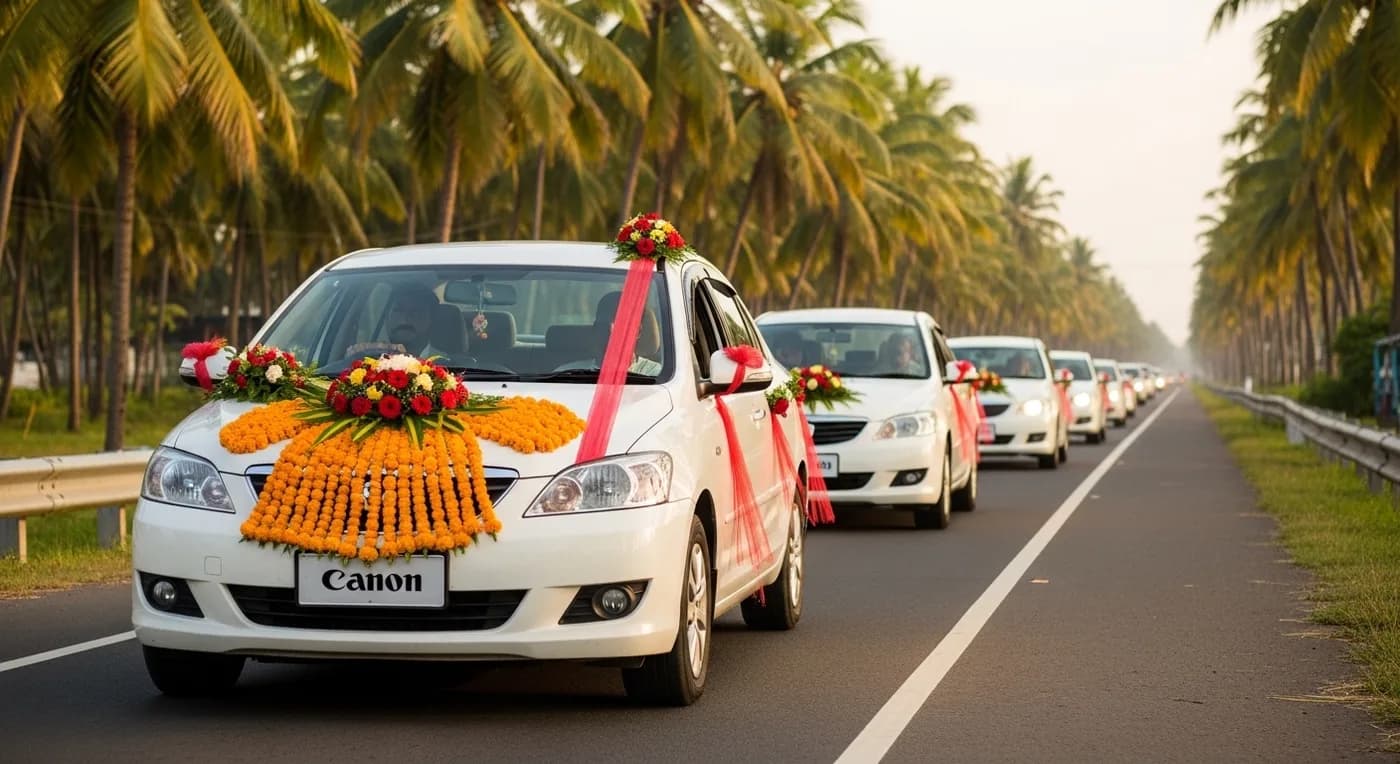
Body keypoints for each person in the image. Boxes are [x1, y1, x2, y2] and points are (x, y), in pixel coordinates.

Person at [554, 291, 663, 375]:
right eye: (603, 325)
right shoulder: (565, 375)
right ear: (595, 330)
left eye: (620, 324)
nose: (610, 331)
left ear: (637, 332)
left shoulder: (657, 377)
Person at [346, 284, 453, 359]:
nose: (404, 319)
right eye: (397, 311)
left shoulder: (446, 367)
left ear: (431, 319)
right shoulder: (367, 361)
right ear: (386, 317)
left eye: (415, 312)